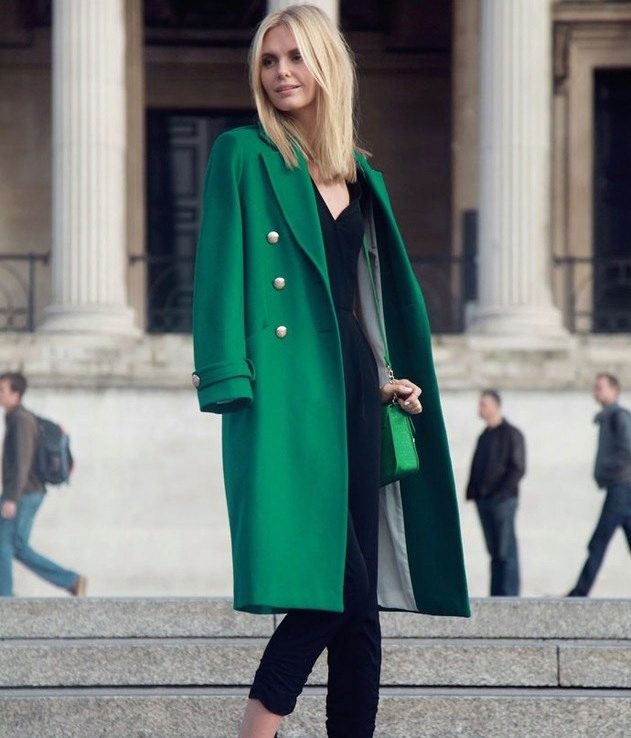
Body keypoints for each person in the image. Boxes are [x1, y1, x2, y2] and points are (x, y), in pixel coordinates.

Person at [191, 6, 469, 736]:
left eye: (295, 57)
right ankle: (257, 728)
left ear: (327, 66)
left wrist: (383, 376)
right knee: (333, 589)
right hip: (284, 396)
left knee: (361, 608)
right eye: (268, 60)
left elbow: (358, 298)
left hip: (354, 389)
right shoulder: (242, 155)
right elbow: (218, 275)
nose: (281, 72)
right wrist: (225, 377)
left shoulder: (361, 174)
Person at [0, 371, 86, 597]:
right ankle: (71, 580)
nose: (0, 394)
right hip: (26, 491)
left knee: (3, 545)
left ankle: (5, 597)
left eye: (2, 390)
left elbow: (22, 461)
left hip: (23, 492)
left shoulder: (21, 420)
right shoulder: (17, 417)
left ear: (16, 394)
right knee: (17, 546)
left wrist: (11, 498)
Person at [568, 373, 631, 597]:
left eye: (600, 387)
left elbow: (628, 448)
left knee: (599, 540)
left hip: (621, 486)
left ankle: (580, 593)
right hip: (620, 486)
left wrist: (607, 469)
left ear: (615, 390)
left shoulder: (619, 416)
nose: (596, 391)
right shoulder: (607, 417)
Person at [466, 389, 525, 597]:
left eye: (484, 404)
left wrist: (500, 494)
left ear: (496, 406)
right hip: (484, 501)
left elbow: (518, 468)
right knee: (494, 552)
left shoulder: (511, 434)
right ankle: (497, 596)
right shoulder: (484, 436)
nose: (480, 408)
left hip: (502, 502)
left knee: (505, 551)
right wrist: (473, 492)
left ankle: (509, 596)